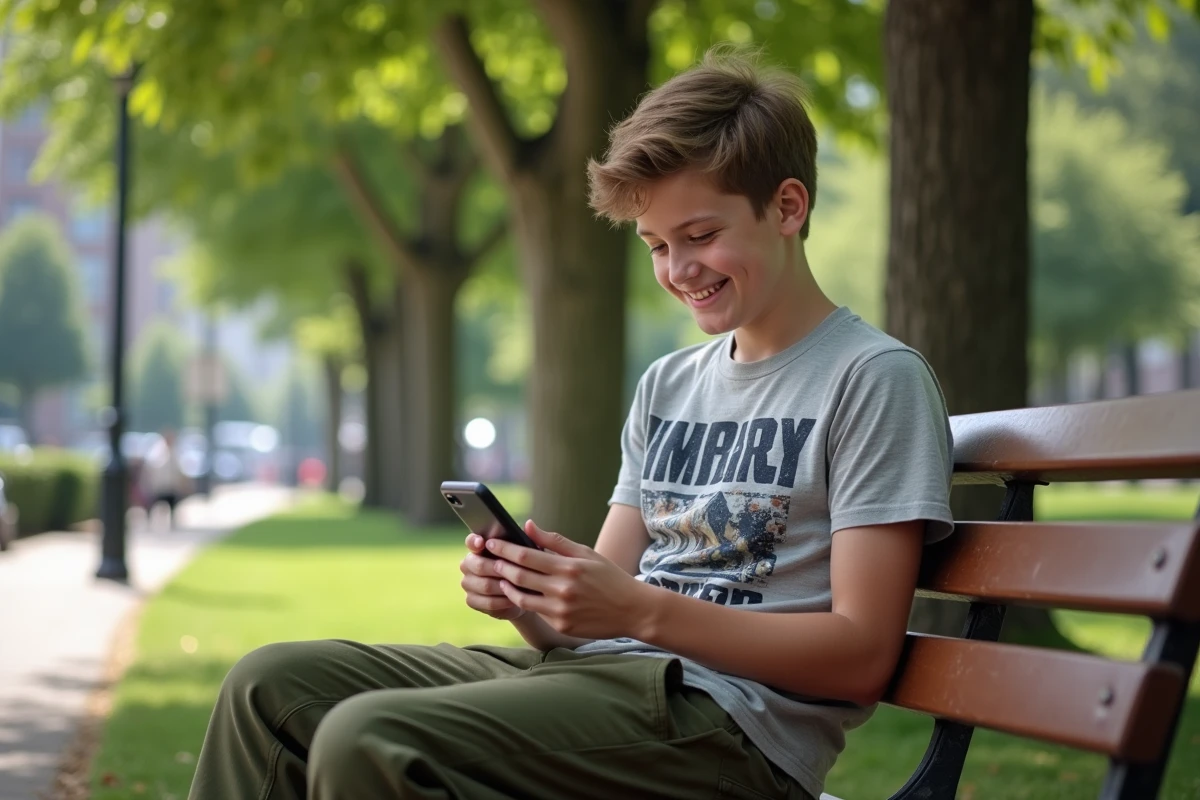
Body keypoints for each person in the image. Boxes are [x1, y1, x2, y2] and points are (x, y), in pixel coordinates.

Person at [188, 49, 953, 800]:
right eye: (656, 245)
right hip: (602, 681)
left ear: (788, 207)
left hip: (731, 731)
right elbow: (594, 614)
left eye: (701, 235)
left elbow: (861, 654)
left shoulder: (873, 379)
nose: (678, 269)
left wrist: (637, 611)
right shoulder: (669, 385)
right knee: (270, 688)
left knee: (370, 739)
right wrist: (534, 600)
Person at [141, 428, 189, 530]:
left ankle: (172, 525)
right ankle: (150, 525)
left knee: (172, 507)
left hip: (171, 486)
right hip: (159, 486)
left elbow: (179, 470)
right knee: (154, 505)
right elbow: (152, 468)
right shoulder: (157, 451)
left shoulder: (176, 452)